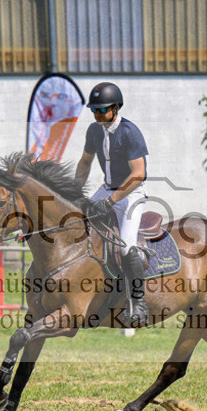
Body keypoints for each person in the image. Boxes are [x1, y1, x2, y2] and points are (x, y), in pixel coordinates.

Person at [75, 82, 149, 326]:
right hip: (106, 190)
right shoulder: (94, 131)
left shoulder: (130, 132)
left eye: (101, 110)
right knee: (75, 222)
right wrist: (74, 192)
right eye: (93, 110)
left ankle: (138, 302)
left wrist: (111, 201)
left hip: (130, 194)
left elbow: (138, 173)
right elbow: (85, 162)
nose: (96, 114)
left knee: (127, 247)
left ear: (116, 108)